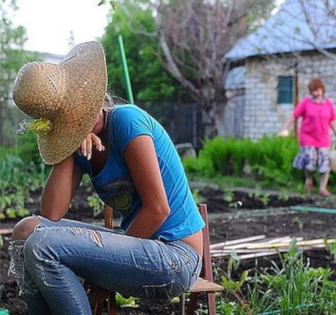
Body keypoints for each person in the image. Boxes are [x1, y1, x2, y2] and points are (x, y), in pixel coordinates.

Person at [8, 41, 205, 315]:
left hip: (175, 256)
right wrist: (67, 145)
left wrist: (106, 274)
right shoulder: (80, 147)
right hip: (137, 246)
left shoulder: (126, 121)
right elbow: (51, 212)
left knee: (43, 246)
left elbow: (159, 210)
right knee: (26, 231)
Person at [278, 77, 336, 196]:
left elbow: (332, 120)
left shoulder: (328, 104)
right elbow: (294, 116)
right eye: (313, 91)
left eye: (318, 90)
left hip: (323, 139)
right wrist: (285, 128)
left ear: (323, 90)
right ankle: (309, 179)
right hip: (308, 137)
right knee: (310, 162)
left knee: (324, 164)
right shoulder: (306, 102)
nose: (316, 93)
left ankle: (323, 188)